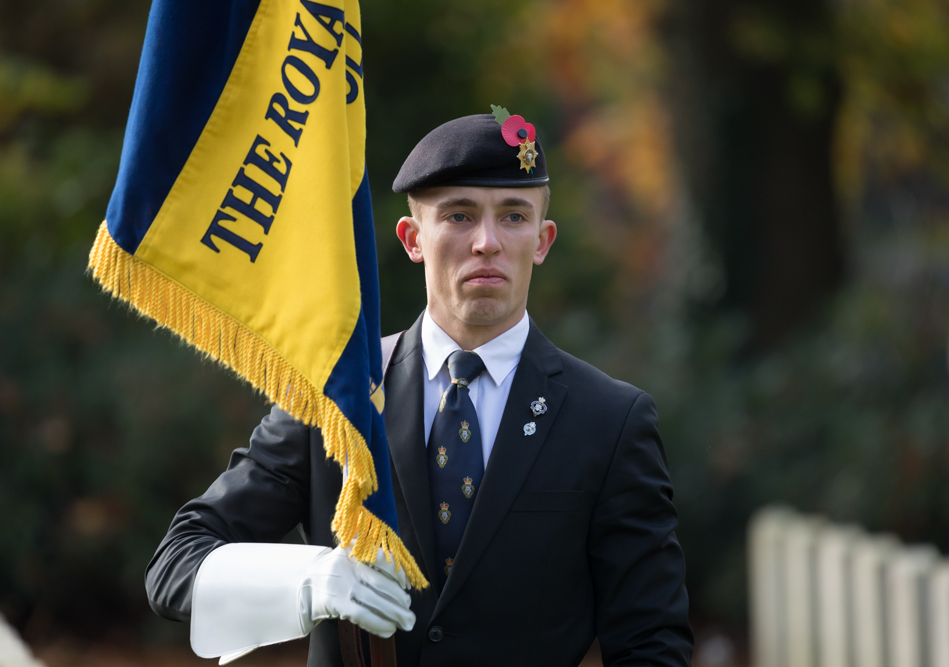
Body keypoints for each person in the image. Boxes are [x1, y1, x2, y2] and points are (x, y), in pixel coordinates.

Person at [144, 112, 694, 666]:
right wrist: (306, 583)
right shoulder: (335, 397)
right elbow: (177, 561)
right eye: (458, 215)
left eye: (513, 217)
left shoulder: (609, 420)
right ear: (412, 238)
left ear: (542, 240)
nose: (487, 242)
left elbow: (652, 646)